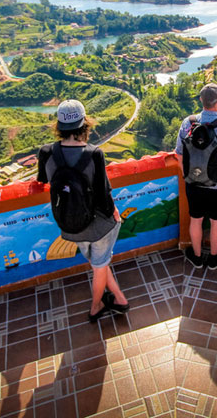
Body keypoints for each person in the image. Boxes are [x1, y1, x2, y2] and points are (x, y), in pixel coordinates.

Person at [37, 99, 129, 322]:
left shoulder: (46, 152)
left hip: (70, 222)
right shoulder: (94, 153)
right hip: (97, 224)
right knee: (100, 265)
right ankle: (96, 306)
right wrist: (115, 214)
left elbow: (43, 180)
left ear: (59, 126)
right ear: (84, 124)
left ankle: (119, 299)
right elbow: (104, 195)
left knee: (99, 263)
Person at [175, 83, 217, 270]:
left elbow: (179, 155)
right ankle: (213, 258)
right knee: (216, 222)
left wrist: (187, 175)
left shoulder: (188, 123)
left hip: (193, 183)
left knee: (195, 220)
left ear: (200, 100)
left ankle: (196, 257)